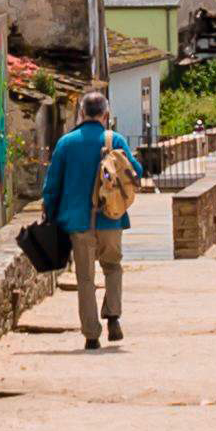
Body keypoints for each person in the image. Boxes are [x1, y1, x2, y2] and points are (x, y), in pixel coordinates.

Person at [45, 102, 141, 348]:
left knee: (85, 278)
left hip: (79, 222)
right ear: (106, 114)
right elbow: (136, 172)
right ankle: (113, 315)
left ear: (81, 113)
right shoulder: (115, 139)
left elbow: (52, 186)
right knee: (113, 267)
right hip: (111, 217)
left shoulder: (66, 143)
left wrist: (52, 216)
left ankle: (91, 334)